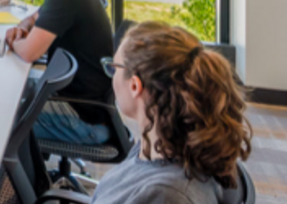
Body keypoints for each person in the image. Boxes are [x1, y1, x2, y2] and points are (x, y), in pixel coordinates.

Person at [90, 21, 252, 203]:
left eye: (114, 68)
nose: (111, 75)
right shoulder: (157, 143)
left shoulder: (168, 195)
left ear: (135, 85)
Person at [5, 0, 115, 145]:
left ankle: (25, 180)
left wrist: (12, 39)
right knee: (17, 96)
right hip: (83, 107)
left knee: (2, 118)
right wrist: (24, 27)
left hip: (84, 121)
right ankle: (30, 175)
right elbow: (36, 17)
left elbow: (29, 53)